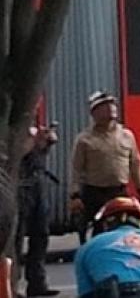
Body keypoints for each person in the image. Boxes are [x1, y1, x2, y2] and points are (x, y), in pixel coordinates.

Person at [69, 91, 140, 242]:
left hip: (119, 191)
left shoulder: (127, 135)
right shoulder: (84, 139)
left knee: (124, 230)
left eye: (112, 105)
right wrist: (75, 196)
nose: (111, 108)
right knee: (98, 233)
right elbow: (76, 169)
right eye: (104, 106)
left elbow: (135, 163)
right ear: (94, 113)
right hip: (94, 193)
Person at [19, 122, 59, 297]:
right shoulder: (14, 127)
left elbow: (38, 157)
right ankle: (10, 284)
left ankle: (37, 283)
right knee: (16, 237)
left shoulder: (34, 129)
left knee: (41, 234)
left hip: (38, 186)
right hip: (18, 187)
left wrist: (46, 144)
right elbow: (17, 153)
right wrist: (33, 142)